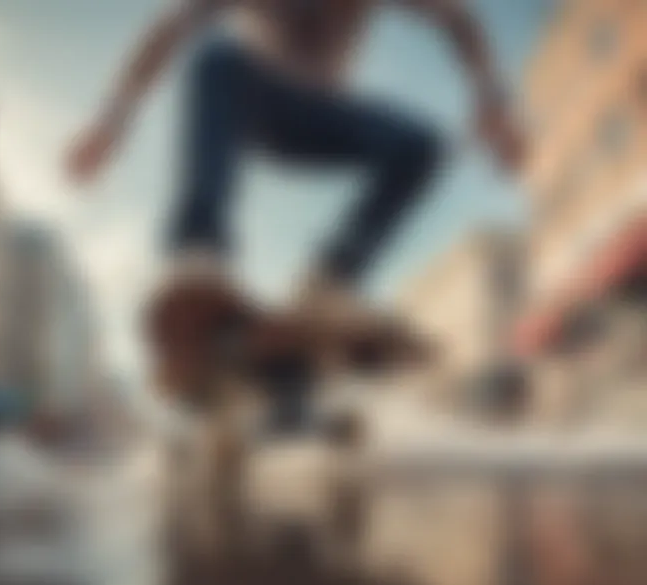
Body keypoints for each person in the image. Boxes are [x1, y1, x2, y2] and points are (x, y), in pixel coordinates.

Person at [66, 0, 522, 366]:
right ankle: (199, 252)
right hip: (259, 104)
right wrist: (111, 120)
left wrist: (492, 99)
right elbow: (168, 30)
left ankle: (330, 283)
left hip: (325, 120)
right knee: (216, 60)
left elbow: (457, 18)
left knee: (421, 145)